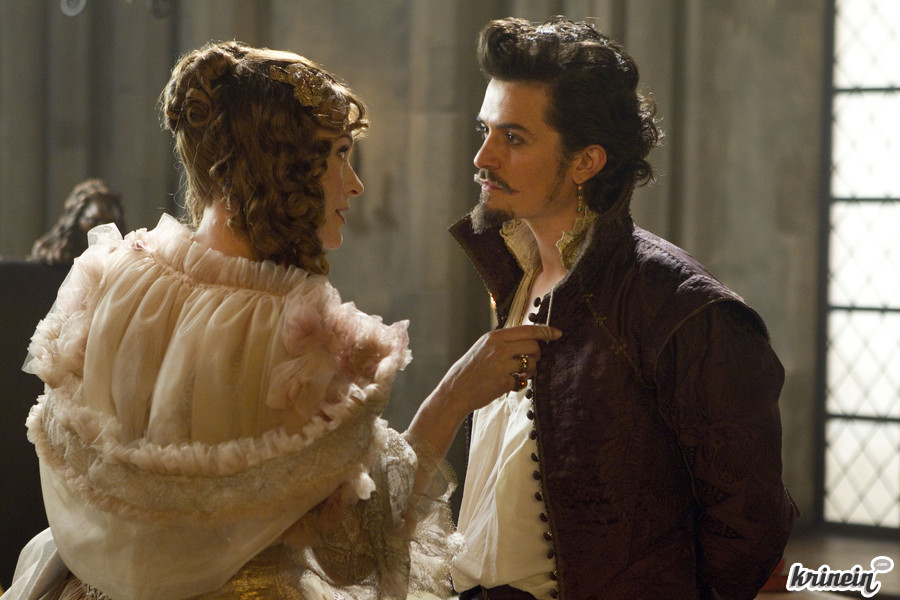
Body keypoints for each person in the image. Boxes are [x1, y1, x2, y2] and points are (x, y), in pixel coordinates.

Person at [5, 41, 559, 600]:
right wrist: (452, 398)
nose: (355, 184)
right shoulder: (295, 333)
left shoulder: (121, 275)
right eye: (337, 155)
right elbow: (355, 551)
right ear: (281, 168)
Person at [448, 16, 798, 600]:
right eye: (485, 130)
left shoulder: (685, 310)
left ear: (585, 162)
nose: (484, 157)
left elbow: (747, 531)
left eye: (514, 138)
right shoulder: (516, 276)